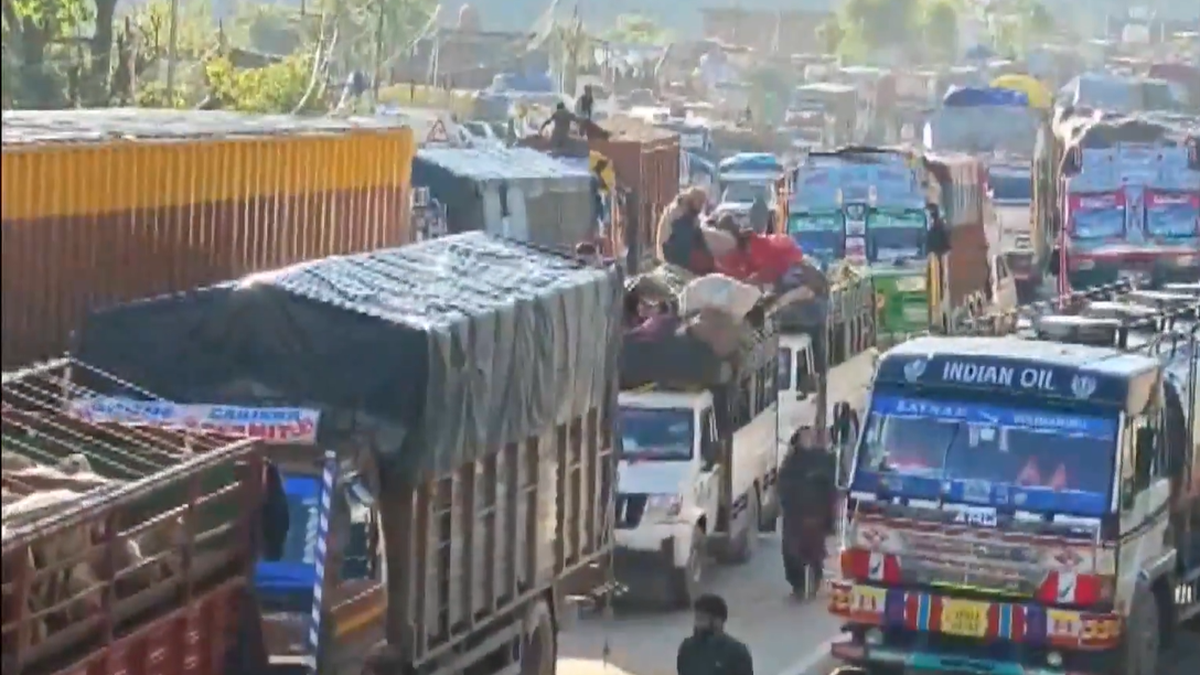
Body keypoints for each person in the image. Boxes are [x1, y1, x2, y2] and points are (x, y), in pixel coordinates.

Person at [778, 426, 835, 597]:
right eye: (804, 436)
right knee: (792, 552)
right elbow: (783, 483)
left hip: (816, 513)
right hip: (796, 514)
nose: (808, 439)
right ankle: (798, 585)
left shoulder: (824, 459)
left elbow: (832, 486)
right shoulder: (792, 461)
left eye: (810, 436)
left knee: (815, 552)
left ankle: (814, 581)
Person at [676, 594, 754, 675]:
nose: (697, 624)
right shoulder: (687, 649)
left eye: (702, 619)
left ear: (718, 621)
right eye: (697, 618)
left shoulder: (737, 652)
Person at [662, 188, 716, 274]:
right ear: (693, 200)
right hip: (676, 256)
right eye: (700, 202)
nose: (701, 207)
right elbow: (682, 242)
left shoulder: (690, 216)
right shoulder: (678, 213)